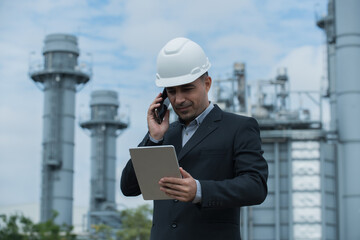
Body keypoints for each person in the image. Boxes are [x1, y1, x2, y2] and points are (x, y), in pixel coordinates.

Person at [121, 37, 268, 240]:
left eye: (187, 88)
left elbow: (256, 186)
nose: (179, 99)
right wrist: (153, 138)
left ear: (206, 84)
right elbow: (128, 188)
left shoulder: (239, 128)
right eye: (171, 92)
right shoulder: (165, 134)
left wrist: (200, 190)